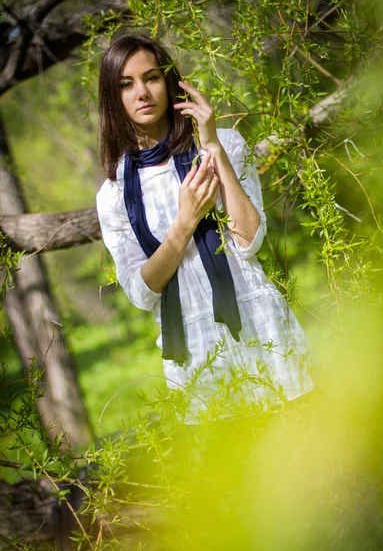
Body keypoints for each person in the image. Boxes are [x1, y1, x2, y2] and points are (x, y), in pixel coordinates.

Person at [96, 34, 313, 422]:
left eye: (151, 78)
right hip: (196, 356)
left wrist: (212, 147)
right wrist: (184, 224)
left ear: (171, 83)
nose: (141, 93)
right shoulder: (113, 194)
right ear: (113, 98)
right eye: (126, 84)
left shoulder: (224, 143)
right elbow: (141, 293)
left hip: (262, 331)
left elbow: (249, 242)